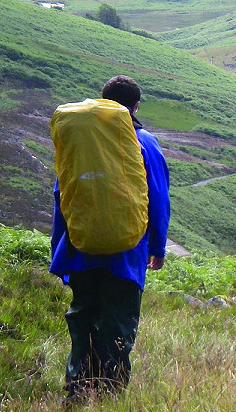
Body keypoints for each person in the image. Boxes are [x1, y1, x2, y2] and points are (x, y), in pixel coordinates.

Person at [49, 75, 170, 403]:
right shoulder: (144, 141)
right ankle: (110, 397)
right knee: (117, 326)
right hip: (126, 254)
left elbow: (63, 192)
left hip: (80, 249)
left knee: (83, 320)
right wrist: (158, 247)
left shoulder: (81, 140)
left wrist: (59, 248)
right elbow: (157, 198)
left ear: (103, 100)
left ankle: (77, 393)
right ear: (135, 106)